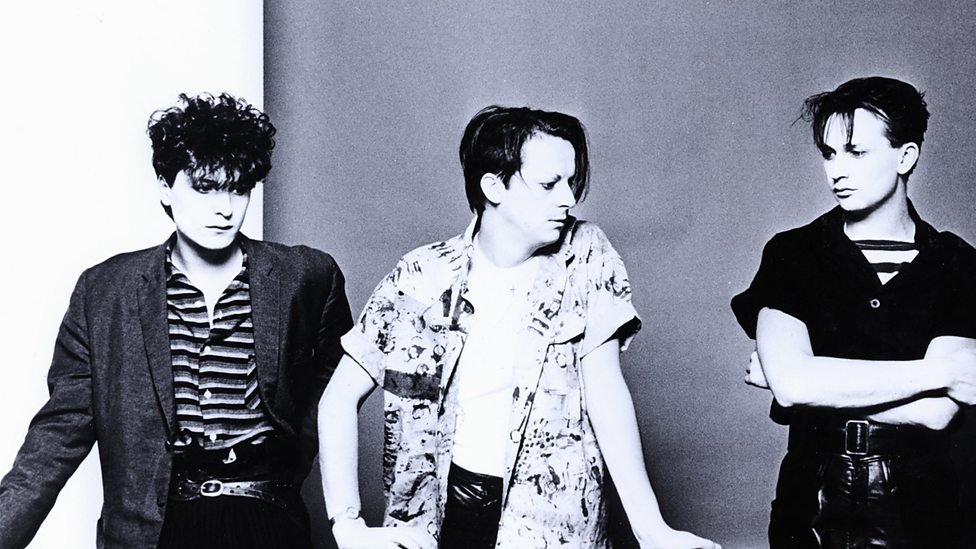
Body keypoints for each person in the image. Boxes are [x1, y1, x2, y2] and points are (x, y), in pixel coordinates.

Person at [319, 105, 719, 549]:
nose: (568, 199)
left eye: (570, 182)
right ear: (494, 187)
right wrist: (346, 524)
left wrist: (652, 530)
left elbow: (606, 393)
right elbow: (338, 397)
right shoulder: (421, 275)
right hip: (435, 521)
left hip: (548, 526)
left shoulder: (586, 254)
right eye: (549, 184)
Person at [0, 93, 353, 548]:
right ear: (165, 187)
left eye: (238, 188)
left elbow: (336, 390)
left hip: (266, 517)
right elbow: (57, 434)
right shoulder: (105, 292)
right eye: (204, 187)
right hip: (152, 528)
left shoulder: (306, 277)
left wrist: (286, 470)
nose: (224, 208)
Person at [731, 76, 976, 547]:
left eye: (856, 152)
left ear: (905, 156)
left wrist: (812, 386)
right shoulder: (793, 254)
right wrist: (940, 372)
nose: (836, 171)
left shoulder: (958, 264)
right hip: (811, 509)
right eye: (829, 154)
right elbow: (796, 384)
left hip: (923, 513)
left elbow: (938, 412)